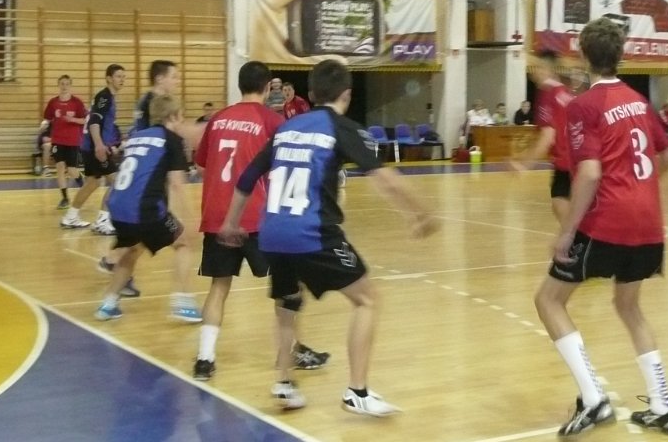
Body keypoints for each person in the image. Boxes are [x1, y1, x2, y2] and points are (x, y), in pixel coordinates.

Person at [219, 59, 438, 415]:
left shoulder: (287, 127)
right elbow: (385, 178)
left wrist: (230, 224)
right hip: (312, 232)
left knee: (288, 302)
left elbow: (247, 178)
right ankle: (357, 392)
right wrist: (422, 213)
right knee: (367, 299)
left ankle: (284, 383)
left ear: (310, 93)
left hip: (272, 232)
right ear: (346, 95)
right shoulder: (340, 127)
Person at [534, 18, 668, 436]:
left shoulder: (583, 106)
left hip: (607, 222)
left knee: (548, 300)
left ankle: (594, 399)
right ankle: (664, 406)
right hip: (649, 223)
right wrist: (640, 188)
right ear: (621, 55)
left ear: (583, 55)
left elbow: (589, 173)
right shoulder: (639, 101)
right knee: (629, 307)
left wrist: (567, 231)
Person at [193, 61, 329, 381]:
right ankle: (291, 351)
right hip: (256, 217)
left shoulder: (218, 119)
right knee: (287, 286)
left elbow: (201, 166)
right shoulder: (271, 120)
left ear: (239, 85)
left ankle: (204, 358)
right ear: (268, 87)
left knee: (218, 287)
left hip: (218, 216)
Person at [94, 95, 201, 322]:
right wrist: (192, 220)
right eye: (181, 117)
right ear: (174, 116)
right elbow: (177, 184)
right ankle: (183, 302)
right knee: (183, 243)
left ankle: (108, 304)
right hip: (144, 208)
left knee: (132, 249)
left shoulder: (137, 136)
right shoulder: (171, 139)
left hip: (117, 207)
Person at [60, 65, 133, 250]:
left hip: (89, 146)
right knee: (117, 182)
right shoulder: (105, 96)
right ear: (108, 78)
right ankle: (102, 221)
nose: (122, 80)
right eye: (118, 76)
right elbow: (94, 121)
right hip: (94, 147)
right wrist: (100, 145)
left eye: (124, 77)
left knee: (92, 182)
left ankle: (71, 217)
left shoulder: (107, 97)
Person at [511, 50, 574, 227]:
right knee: (566, 205)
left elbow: (547, 136)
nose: (533, 73)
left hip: (566, 161)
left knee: (561, 205)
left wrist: (524, 165)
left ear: (547, 69)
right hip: (581, 159)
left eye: (536, 67)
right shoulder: (566, 91)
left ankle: (577, 241)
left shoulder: (547, 93)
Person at [43, 75, 87, 208]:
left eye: (67, 84)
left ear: (70, 86)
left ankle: (81, 180)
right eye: (62, 84)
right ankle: (65, 198)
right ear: (58, 85)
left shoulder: (77, 102)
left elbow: (84, 120)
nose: (64, 86)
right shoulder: (53, 102)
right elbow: (47, 117)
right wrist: (45, 125)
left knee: (72, 170)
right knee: (60, 167)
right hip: (57, 140)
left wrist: (72, 119)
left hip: (72, 141)